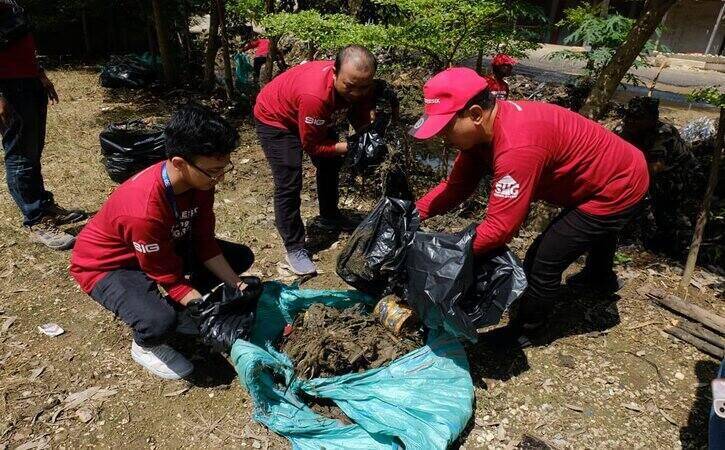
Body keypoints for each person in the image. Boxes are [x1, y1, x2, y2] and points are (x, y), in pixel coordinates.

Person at [410, 68, 649, 344]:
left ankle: (528, 329)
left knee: (542, 260)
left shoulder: (516, 146)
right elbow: (455, 187)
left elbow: (500, 229)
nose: (442, 138)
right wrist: (411, 215)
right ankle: (599, 279)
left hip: (618, 185)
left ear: (475, 114)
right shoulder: (479, 136)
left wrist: (448, 255)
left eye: (446, 128)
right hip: (601, 173)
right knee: (590, 232)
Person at [70, 104, 256, 380]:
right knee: (158, 322)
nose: (221, 177)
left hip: (162, 245)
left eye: (223, 167)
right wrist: (205, 308)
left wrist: (237, 284)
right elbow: (167, 276)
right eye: (214, 170)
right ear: (180, 163)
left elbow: (204, 241)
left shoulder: (199, 182)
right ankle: (147, 344)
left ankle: (183, 312)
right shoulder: (144, 209)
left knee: (239, 259)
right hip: (110, 265)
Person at [253, 45, 392, 275]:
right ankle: (295, 247)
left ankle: (329, 215)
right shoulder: (315, 96)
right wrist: (351, 146)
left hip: (310, 116)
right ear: (334, 73)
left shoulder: (359, 85)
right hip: (276, 118)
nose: (356, 93)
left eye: (364, 87)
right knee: (289, 179)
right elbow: (313, 146)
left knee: (330, 164)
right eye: (350, 86)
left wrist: (368, 137)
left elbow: (359, 113)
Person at [0, 0, 86, 250]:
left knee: (33, 151)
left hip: (28, 83)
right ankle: (36, 220)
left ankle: (44, 206)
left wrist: (40, 74)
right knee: (19, 157)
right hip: (8, 88)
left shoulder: (12, 6)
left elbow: (23, 44)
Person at [615, 97, 702, 257]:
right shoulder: (626, 127)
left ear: (651, 119)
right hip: (653, 173)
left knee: (666, 208)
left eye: (638, 118)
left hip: (679, 175)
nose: (631, 121)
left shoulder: (663, 133)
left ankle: (675, 244)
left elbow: (656, 167)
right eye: (629, 116)